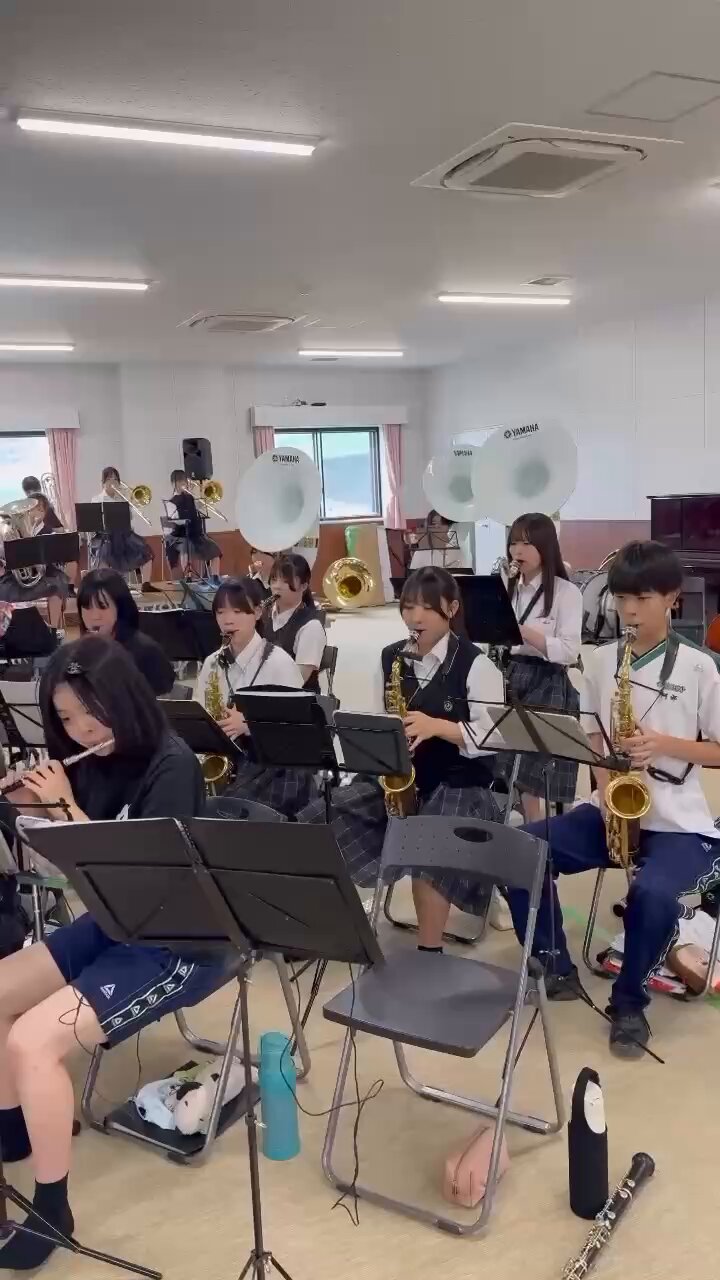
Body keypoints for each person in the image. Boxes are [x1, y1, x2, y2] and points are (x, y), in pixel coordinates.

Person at [0, 634, 228, 1271]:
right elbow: (71, 871)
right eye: (65, 718)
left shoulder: (172, 766)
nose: (80, 731)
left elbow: (142, 878)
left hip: (177, 942)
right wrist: (24, 809)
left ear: (123, 700)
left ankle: (53, 1209)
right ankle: (13, 1130)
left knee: (32, 1041)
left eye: (90, 714)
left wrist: (65, 809)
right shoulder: (90, 759)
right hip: (114, 922)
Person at [505, 540, 720, 1058]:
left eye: (642, 598)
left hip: (678, 821)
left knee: (653, 895)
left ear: (671, 598)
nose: (629, 610)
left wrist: (663, 744)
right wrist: (605, 789)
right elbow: (592, 738)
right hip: (613, 808)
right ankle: (554, 965)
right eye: (622, 598)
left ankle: (629, 1003)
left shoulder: (700, 667)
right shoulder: (602, 661)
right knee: (517, 853)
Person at [298, 567, 506, 947]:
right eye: (408, 607)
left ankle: (429, 951)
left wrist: (438, 726)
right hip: (399, 777)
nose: (415, 617)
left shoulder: (478, 665)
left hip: (460, 782)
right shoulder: (390, 658)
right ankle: (329, 927)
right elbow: (377, 719)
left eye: (426, 608)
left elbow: (496, 737)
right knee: (323, 814)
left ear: (452, 608)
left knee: (429, 838)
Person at [196, 578, 315, 818]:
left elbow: (300, 732)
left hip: (272, 768)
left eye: (238, 611)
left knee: (225, 811)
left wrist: (251, 726)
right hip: (226, 760)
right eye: (220, 612)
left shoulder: (279, 662)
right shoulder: (212, 663)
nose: (228, 620)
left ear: (258, 612)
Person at [502, 512, 583, 821]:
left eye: (526, 544)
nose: (517, 551)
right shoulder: (507, 587)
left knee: (533, 766)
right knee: (503, 757)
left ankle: (537, 831)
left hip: (548, 680)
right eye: (513, 543)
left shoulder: (566, 592)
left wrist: (523, 632)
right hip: (510, 673)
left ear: (545, 547)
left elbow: (570, 651)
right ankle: (526, 823)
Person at [77, 568, 175, 695]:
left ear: (120, 608)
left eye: (103, 606)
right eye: (87, 607)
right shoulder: (79, 653)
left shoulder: (146, 653)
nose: (95, 616)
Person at [260, 553, 326, 691]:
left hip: (296, 698)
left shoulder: (311, 626)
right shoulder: (264, 616)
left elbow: (298, 679)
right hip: (264, 692)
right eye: (274, 579)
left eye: (285, 581)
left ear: (303, 586)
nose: (277, 586)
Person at [90, 466, 154, 588]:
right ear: (103, 482)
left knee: (146, 551)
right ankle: (105, 587)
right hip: (106, 537)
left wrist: (134, 504)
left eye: (115, 479)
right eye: (109, 479)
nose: (113, 482)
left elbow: (131, 517)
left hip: (124, 535)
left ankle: (146, 585)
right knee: (103, 555)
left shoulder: (123, 498)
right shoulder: (97, 499)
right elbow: (96, 522)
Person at [164, 469, 221, 579]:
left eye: (184, 481)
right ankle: (188, 576)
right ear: (174, 484)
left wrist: (205, 499)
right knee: (185, 547)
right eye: (180, 481)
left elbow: (198, 509)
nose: (183, 484)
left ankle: (215, 578)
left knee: (215, 549)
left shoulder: (190, 497)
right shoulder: (171, 502)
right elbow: (173, 520)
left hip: (195, 534)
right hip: (180, 536)